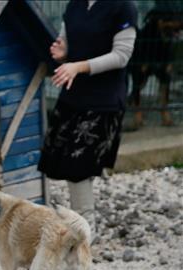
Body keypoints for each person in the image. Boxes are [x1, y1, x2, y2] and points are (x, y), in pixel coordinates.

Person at [38, 0, 137, 241]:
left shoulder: (123, 7)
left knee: (78, 167)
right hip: (73, 97)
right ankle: (75, 227)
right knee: (60, 162)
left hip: (104, 100)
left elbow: (121, 56)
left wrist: (78, 67)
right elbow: (68, 46)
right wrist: (63, 55)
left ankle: (82, 238)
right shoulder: (75, 5)